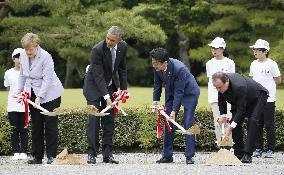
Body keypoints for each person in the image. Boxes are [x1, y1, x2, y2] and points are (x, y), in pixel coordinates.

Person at [83, 26, 128, 164]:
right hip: (93, 86)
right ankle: (92, 153)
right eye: (107, 38)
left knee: (109, 120)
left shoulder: (123, 47)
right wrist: (107, 97)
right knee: (94, 119)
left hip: (110, 85)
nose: (108, 41)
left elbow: (122, 68)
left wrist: (123, 91)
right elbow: (98, 76)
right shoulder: (97, 49)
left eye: (112, 40)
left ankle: (108, 154)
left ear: (119, 40)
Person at [17, 33, 64, 164]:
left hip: (51, 94)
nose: (28, 52)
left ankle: (51, 156)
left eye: (30, 49)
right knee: (36, 125)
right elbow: (22, 75)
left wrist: (39, 97)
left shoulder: (46, 57)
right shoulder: (22, 55)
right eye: (26, 49)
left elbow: (47, 79)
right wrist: (19, 90)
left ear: (36, 46)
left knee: (50, 125)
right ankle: (37, 156)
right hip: (32, 92)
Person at [151, 48, 200, 164]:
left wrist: (174, 110)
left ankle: (189, 156)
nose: (154, 65)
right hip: (171, 92)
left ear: (165, 62)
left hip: (189, 93)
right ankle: (167, 156)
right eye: (152, 62)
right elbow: (157, 85)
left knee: (188, 122)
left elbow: (179, 91)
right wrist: (155, 103)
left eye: (156, 63)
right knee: (168, 121)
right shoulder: (157, 67)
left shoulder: (179, 69)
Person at [212, 72, 269, 163]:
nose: (218, 90)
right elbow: (221, 101)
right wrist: (223, 116)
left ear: (227, 82)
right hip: (240, 101)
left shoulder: (239, 87)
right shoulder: (221, 86)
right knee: (236, 124)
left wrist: (230, 127)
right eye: (216, 87)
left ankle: (247, 154)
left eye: (220, 87)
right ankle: (238, 154)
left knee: (253, 121)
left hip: (258, 97)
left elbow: (241, 110)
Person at [249, 39, 281, 158]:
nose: (255, 51)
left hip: (269, 99)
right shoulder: (253, 64)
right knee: (257, 124)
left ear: (265, 51)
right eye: (254, 49)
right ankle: (258, 148)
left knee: (269, 125)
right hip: (256, 99)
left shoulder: (272, 64)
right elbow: (252, 80)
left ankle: (270, 149)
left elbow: (278, 80)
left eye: (257, 49)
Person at [206, 37, 235, 144]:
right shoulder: (209, 63)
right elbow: (210, 80)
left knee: (228, 121)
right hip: (214, 97)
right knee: (218, 121)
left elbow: (232, 80)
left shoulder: (230, 62)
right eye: (212, 48)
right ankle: (221, 144)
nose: (214, 50)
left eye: (216, 48)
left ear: (222, 49)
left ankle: (229, 144)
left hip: (228, 97)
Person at [4, 48, 28, 160]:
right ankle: (15, 151)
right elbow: (8, 86)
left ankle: (23, 151)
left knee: (23, 129)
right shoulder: (8, 73)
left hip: (25, 105)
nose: (20, 60)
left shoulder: (28, 72)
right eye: (17, 57)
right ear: (13, 59)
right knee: (14, 129)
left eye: (22, 57)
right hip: (12, 105)